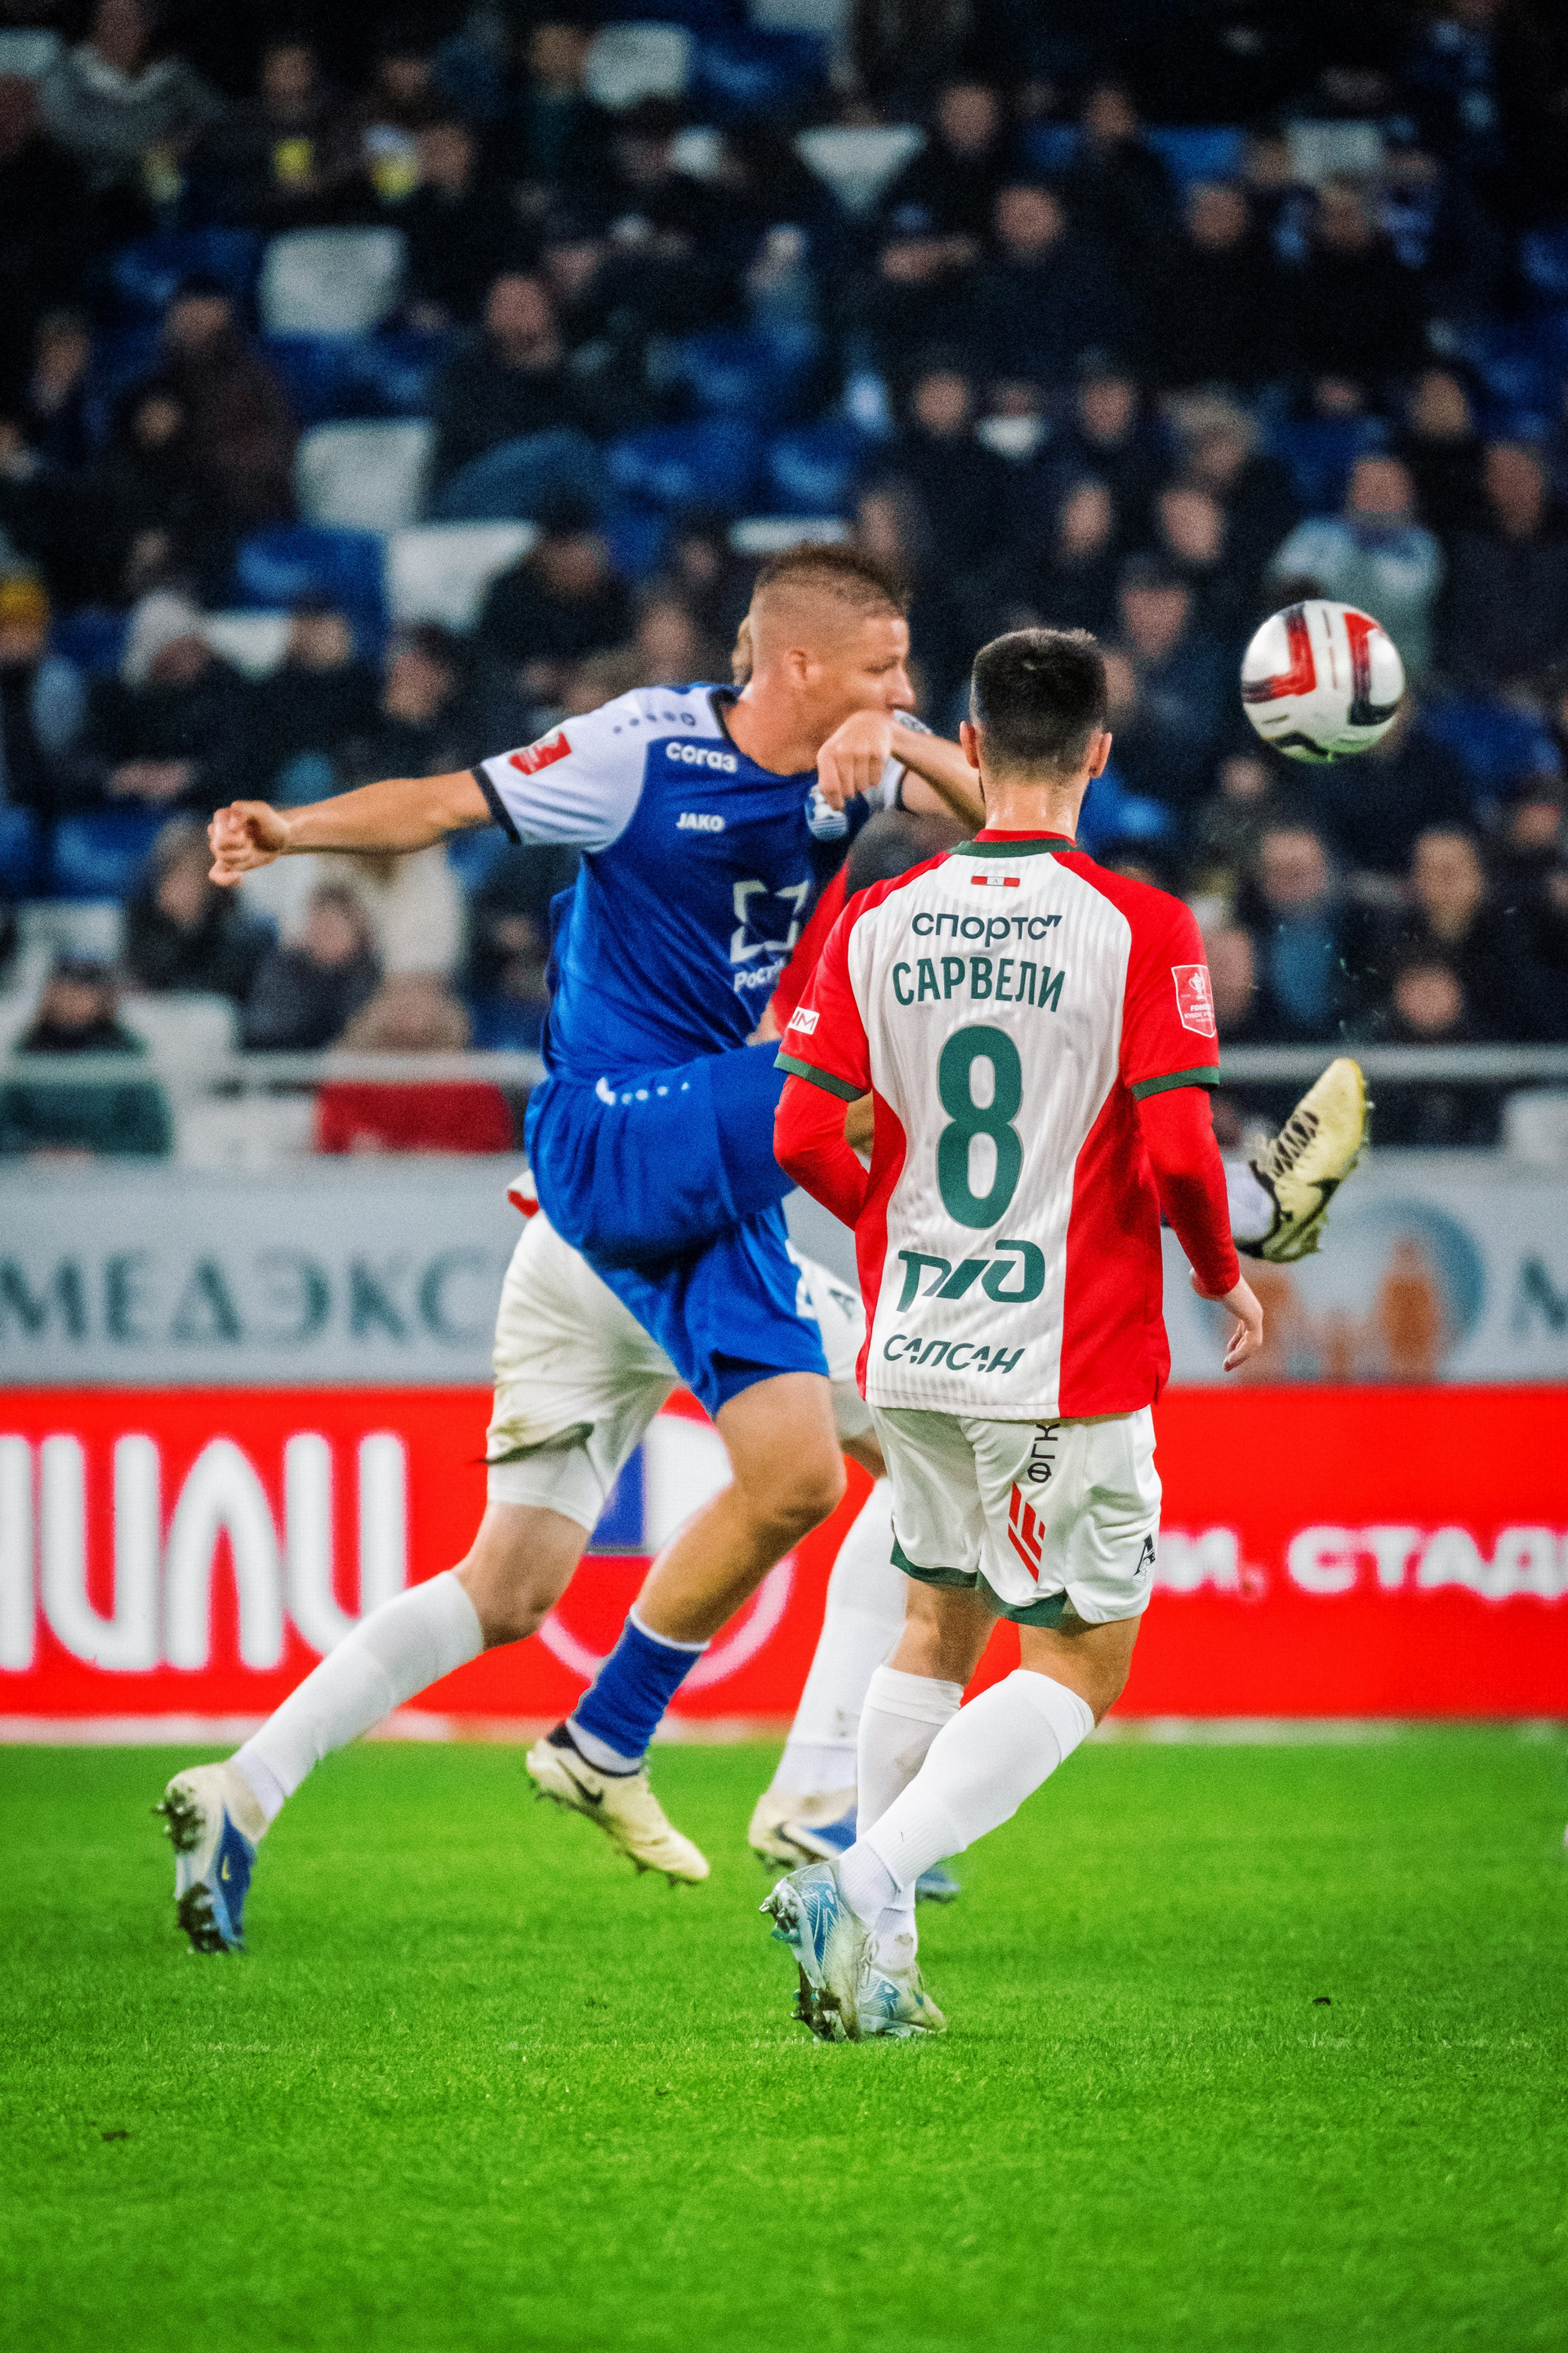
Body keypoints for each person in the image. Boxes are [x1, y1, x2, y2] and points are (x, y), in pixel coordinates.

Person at [165, 541, 990, 1941]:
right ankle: (673, 1757)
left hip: (609, 1235)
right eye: (883, 668)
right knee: (861, 1065)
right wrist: (291, 831)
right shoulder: (640, 749)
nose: (906, 690)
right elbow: (446, 801)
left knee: (514, 1586)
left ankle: (241, 1788)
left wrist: (899, 741)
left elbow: (1019, 833)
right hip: (622, 1139)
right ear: (798, 663)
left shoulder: (860, 762)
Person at [757, 626, 1264, 2039]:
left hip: (915, 1338)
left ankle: (883, 1969)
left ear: (971, 748)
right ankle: (862, 1878)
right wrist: (1221, 1275)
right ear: (1099, 752)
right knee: (1082, 1658)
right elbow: (1180, 1153)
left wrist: (898, 1223)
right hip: (1063, 1357)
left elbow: (800, 1131)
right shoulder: (1139, 925)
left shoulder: (879, 915)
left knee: (933, 1619)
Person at [1270, 455, 1445, 686]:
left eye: (1389, 486)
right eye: (1369, 484)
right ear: (1349, 490)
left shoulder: (1420, 546)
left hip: (1398, 671)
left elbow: (1400, 607)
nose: (1378, 493)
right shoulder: (1314, 535)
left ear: (1408, 494)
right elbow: (1284, 596)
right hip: (1316, 669)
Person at [0, 956, 172, 1158]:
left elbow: (152, 1134)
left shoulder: (124, 1052)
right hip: (36, 1171)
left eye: (81, 991)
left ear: (102, 997)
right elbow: (6, 1123)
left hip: (112, 1172)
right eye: (64, 990)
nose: (71, 999)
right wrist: (32, 1150)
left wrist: (96, 1153)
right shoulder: (29, 1050)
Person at [122, 815, 269, 1000]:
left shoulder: (235, 929)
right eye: (178, 877)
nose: (186, 889)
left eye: (195, 879)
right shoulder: (141, 917)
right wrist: (177, 927)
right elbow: (145, 976)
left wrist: (194, 927)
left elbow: (220, 986)